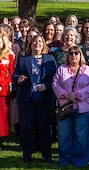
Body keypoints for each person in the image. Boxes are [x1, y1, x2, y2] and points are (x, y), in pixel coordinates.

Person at [14, 34, 57, 163]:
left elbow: (55, 79)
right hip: (27, 100)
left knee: (44, 129)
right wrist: (18, 78)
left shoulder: (49, 60)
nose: (37, 43)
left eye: (39, 41)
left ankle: (46, 155)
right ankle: (27, 156)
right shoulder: (23, 59)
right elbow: (14, 75)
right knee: (26, 129)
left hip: (43, 100)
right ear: (30, 44)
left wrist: (46, 86)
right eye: (34, 41)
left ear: (43, 44)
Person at [53, 45, 89, 168]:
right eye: (71, 53)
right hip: (65, 107)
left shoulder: (86, 69)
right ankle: (65, 160)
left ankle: (80, 160)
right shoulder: (62, 69)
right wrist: (66, 95)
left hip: (82, 108)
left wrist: (77, 95)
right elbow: (55, 84)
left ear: (80, 55)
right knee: (64, 134)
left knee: (81, 135)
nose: (74, 56)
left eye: (76, 53)